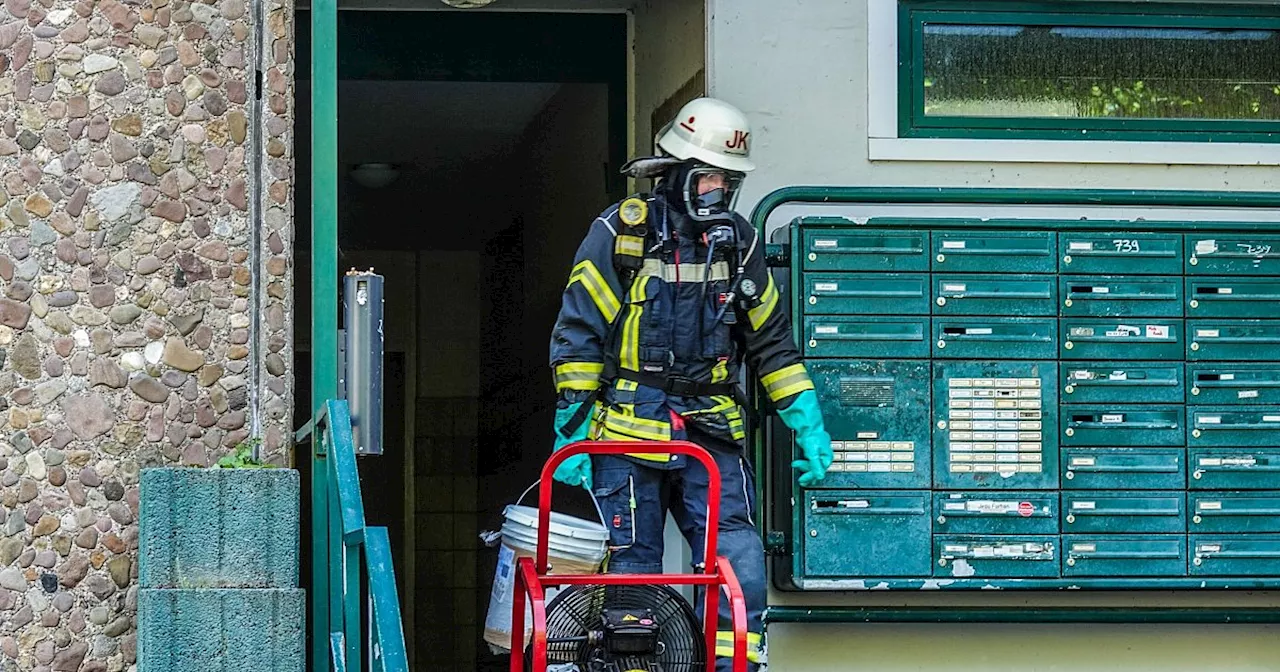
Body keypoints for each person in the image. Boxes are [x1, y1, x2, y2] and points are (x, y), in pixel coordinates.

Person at [547, 96, 833, 671]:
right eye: (708, 178)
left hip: (709, 433)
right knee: (634, 575)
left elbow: (771, 343)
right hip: (624, 436)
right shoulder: (620, 235)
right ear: (674, 171)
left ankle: (737, 667)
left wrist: (807, 419)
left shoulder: (742, 244)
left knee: (739, 565)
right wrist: (571, 430)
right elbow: (578, 335)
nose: (718, 192)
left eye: (729, 181)